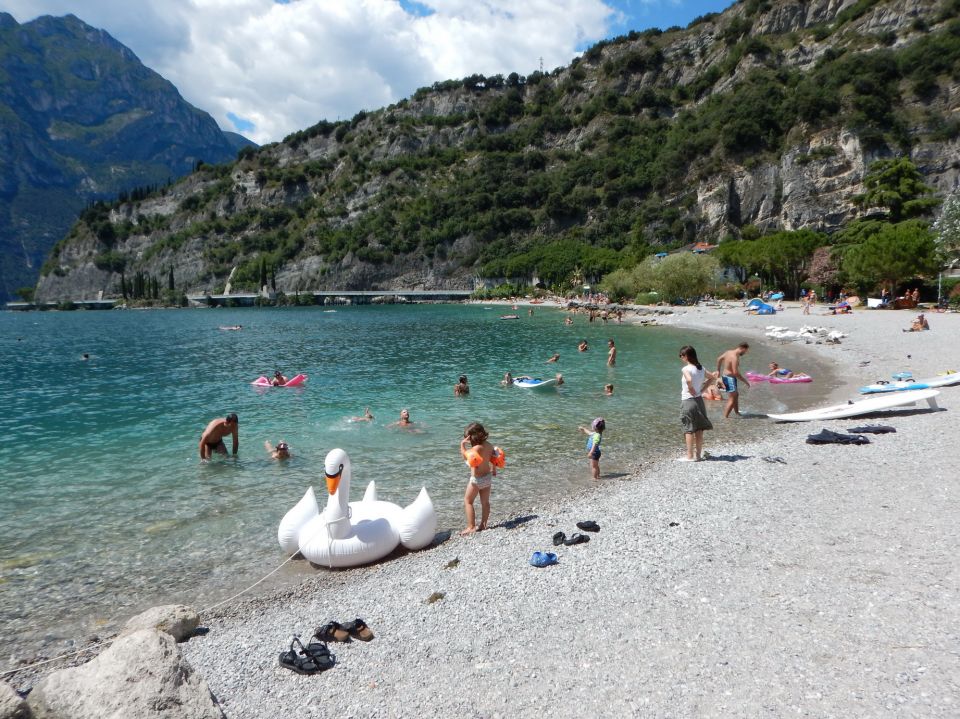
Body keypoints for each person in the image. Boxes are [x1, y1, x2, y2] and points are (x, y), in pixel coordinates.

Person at [459, 422, 497, 535]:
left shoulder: (476, 448)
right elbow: (493, 458)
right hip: (487, 478)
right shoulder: (489, 445)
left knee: (468, 501)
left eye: (468, 438)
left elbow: (466, 457)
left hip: (476, 480)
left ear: (473, 437)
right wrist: (494, 469)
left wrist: (462, 445)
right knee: (485, 502)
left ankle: (471, 527)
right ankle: (483, 525)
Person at [679, 345, 716, 462]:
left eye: (681, 355)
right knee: (699, 429)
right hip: (699, 401)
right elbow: (712, 378)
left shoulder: (686, 369)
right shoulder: (701, 368)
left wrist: (691, 388)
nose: (680, 357)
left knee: (688, 429)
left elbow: (689, 379)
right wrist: (702, 390)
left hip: (688, 401)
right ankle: (698, 456)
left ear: (686, 356)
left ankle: (690, 456)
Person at [716, 342, 750, 418]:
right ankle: (725, 418)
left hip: (727, 377)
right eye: (745, 351)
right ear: (742, 348)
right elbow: (735, 372)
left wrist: (718, 370)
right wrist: (745, 381)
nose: (745, 353)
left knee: (736, 395)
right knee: (732, 399)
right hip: (729, 379)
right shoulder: (734, 357)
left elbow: (719, 359)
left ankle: (737, 412)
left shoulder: (728, 352)